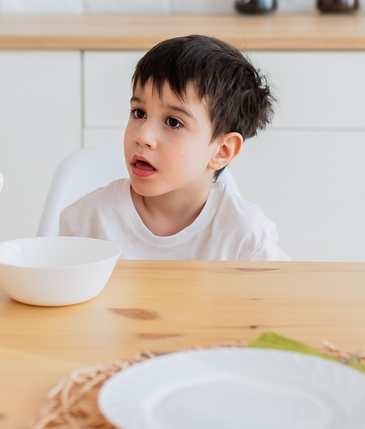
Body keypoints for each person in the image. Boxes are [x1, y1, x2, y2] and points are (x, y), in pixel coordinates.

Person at [60, 35, 288, 261]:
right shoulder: (86, 224)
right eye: (139, 113)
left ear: (221, 151)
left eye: (173, 122)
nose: (143, 136)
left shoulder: (247, 240)